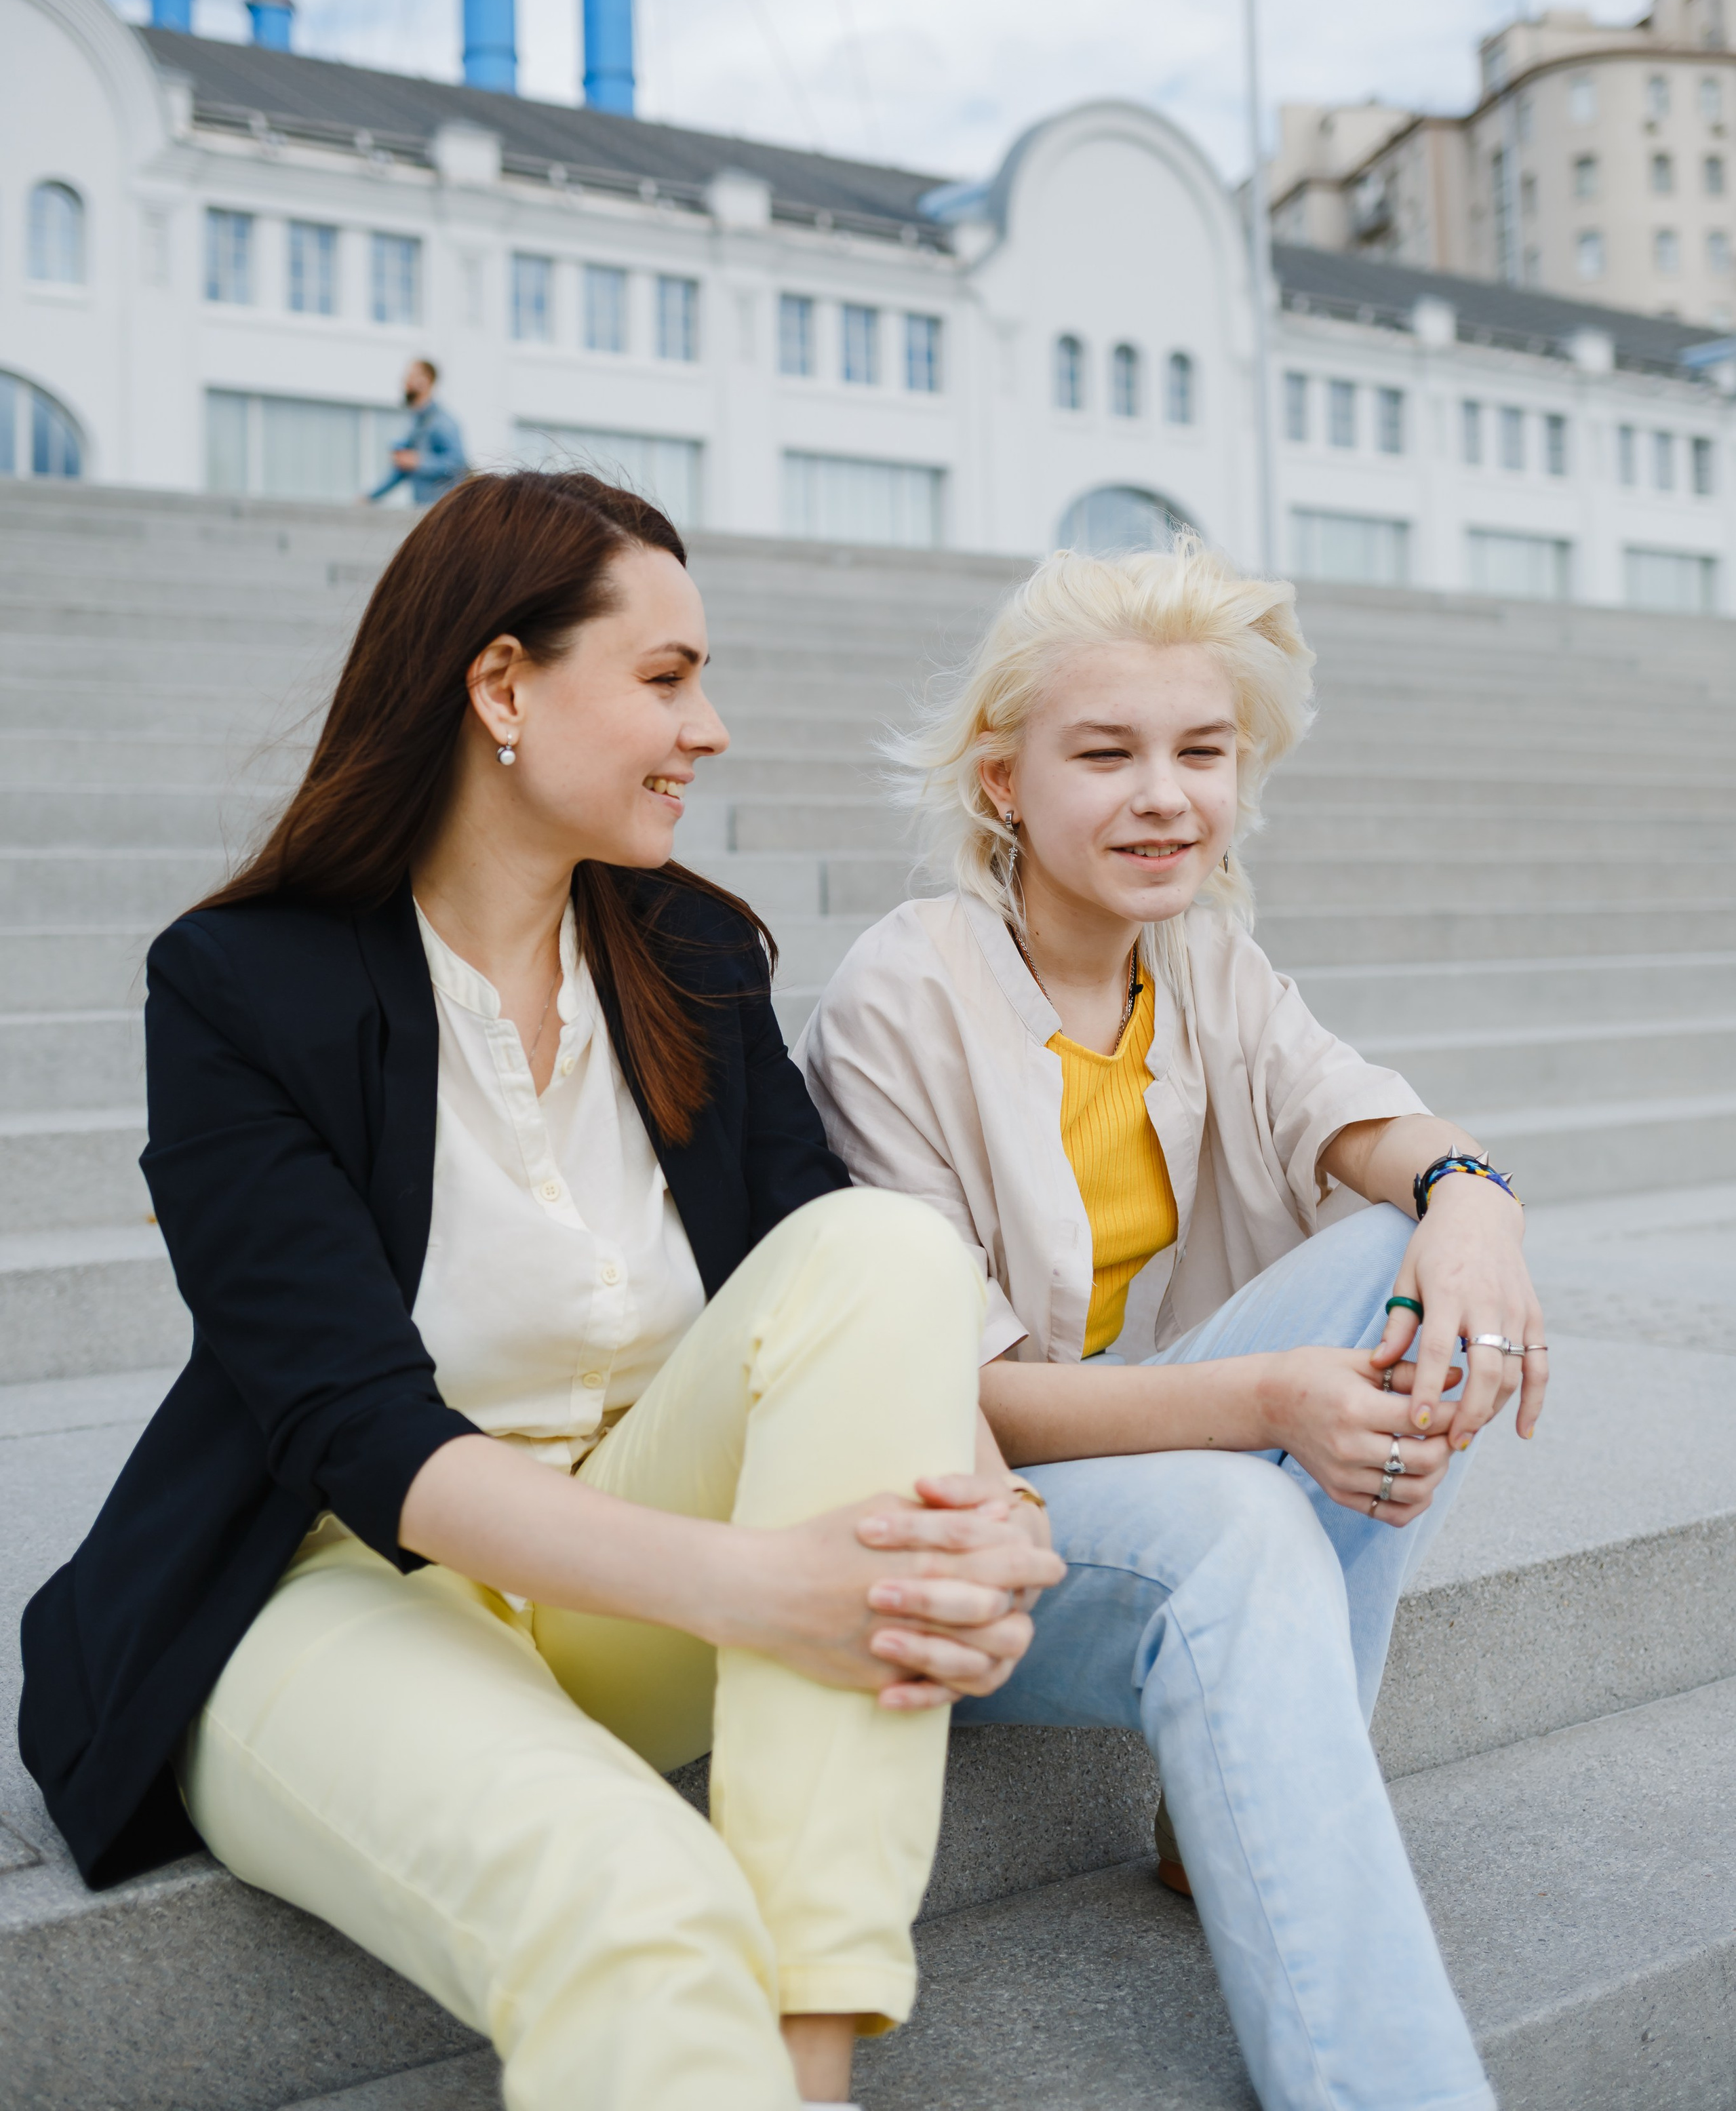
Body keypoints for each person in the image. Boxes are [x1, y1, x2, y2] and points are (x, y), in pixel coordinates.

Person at [18, 469, 1063, 2111]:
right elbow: (357, 1433)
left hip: (619, 1575)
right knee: (641, 1905)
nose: (708, 728)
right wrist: (758, 1587)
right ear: (500, 685)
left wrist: (987, 1513)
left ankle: (813, 2042)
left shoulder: (692, 954)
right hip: (334, 1587)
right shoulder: (239, 986)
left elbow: (829, 1262)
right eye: (665, 677)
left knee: (887, 1244)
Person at [799, 538, 1548, 2111]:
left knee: (1411, 1248)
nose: (1163, 797)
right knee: (1239, 1516)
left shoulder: (1201, 957)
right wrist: (1270, 1401)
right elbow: (960, 1392)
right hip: (980, 1514)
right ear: (1001, 782)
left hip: (1169, 1438)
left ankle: (1260, 1775)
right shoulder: (897, 995)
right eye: (1105, 754)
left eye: (1199, 752)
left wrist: (1474, 1197)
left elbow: (1365, 1118)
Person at [367, 356, 469, 503]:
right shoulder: (415, 422)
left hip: (444, 510)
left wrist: (419, 462)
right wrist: (370, 497)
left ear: (425, 381)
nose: (405, 382)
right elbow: (402, 470)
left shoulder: (443, 422)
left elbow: (458, 465)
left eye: (410, 376)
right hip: (421, 510)